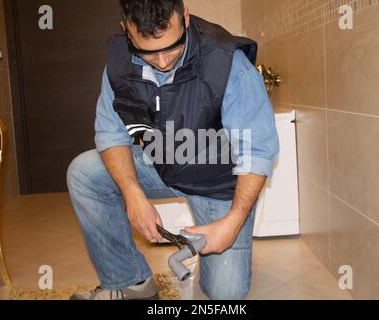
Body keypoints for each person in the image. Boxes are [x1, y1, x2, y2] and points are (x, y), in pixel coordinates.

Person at [67, 0, 279, 300]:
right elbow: (110, 134)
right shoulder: (117, 63)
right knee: (85, 173)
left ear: (186, 18)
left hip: (219, 183)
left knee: (224, 295)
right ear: (126, 30)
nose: (163, 61)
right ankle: (131, 283)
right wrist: (133, 195)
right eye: (148, 52)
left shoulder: (228, 63)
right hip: (164, 163)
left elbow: (256, 151)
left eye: (173, 46)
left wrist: (233, 222)